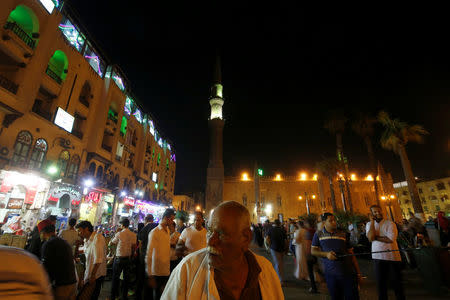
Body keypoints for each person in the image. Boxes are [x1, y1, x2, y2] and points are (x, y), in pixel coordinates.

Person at [161, 201, 284, 299]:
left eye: (221, 234)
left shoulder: (266, 271)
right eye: (210, 231)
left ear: (245, 238)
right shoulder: (186, 271)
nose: (210, 241)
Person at [312, 212, 361, 300]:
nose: (334, 222)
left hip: (348, 274)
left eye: (334, 220)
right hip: (331, 275)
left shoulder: (343, 233)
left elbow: (351, 254)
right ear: (324, 223)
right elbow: (313, 251)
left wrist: (358, 273)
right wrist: (326, 254)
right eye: (330, 221)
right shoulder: (318, 234)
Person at [366, 205, 405, 300]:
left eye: (379, 211)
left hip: (392, 257)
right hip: (377, 257)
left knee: (397, 283)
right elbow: (370, 238)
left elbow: (390, 239)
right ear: (371, 214)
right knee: (380, 284)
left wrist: (375, 237)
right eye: (375, 212)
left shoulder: (390, 223)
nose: (378, 213)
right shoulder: (369, 224)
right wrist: (372, 222)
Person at [40, 222, 77, 300]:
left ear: (43, 233)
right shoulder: (64, 242)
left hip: (62, 286)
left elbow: (46, 267)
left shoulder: (48, 244)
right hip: (72, 283)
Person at [146, 208, 176, 300]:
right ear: (167, 218)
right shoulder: (154, 232)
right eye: (171, 219)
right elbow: (149, 254)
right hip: (157, 273)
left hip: (166, 271)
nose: (172, 221)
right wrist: (150, 274)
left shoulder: (167, 231)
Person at [75, 220, 107, 300]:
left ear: (86, 229)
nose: (78, 233)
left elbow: (98, 259)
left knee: (92, 297)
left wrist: (93, 276)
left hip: (96, 276)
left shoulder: (98, 238)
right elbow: (84, 252)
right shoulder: (87, 240)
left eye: (79, 231)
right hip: (89, 274)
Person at [109, 218, 136, 300]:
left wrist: (116, 233)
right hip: (127, 259)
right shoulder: (133, 235)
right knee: (126, 279)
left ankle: (113, 296)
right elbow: (134, 247)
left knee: (115, 278)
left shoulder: (119, 234)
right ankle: (124, 296)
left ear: (122, 225)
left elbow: (111, 243)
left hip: (119, 259)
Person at [137, 214, 158, 300]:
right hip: (155, 257)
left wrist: (141, 256)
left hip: (145, 256)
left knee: (143, 279)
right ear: (152, 219)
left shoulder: (143, 229)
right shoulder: (157, 227)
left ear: (146, 219)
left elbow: (140, 245)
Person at [266, 219, 288, 285]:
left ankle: (280, 279)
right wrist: (286, 248)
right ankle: (279, 277)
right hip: (282, 247)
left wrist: (269, 245)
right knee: (280, 262)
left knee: (277, 263)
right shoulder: (282, 230)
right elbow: (286, 240)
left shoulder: (271, 230)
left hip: (274, 247)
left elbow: (267, 238)